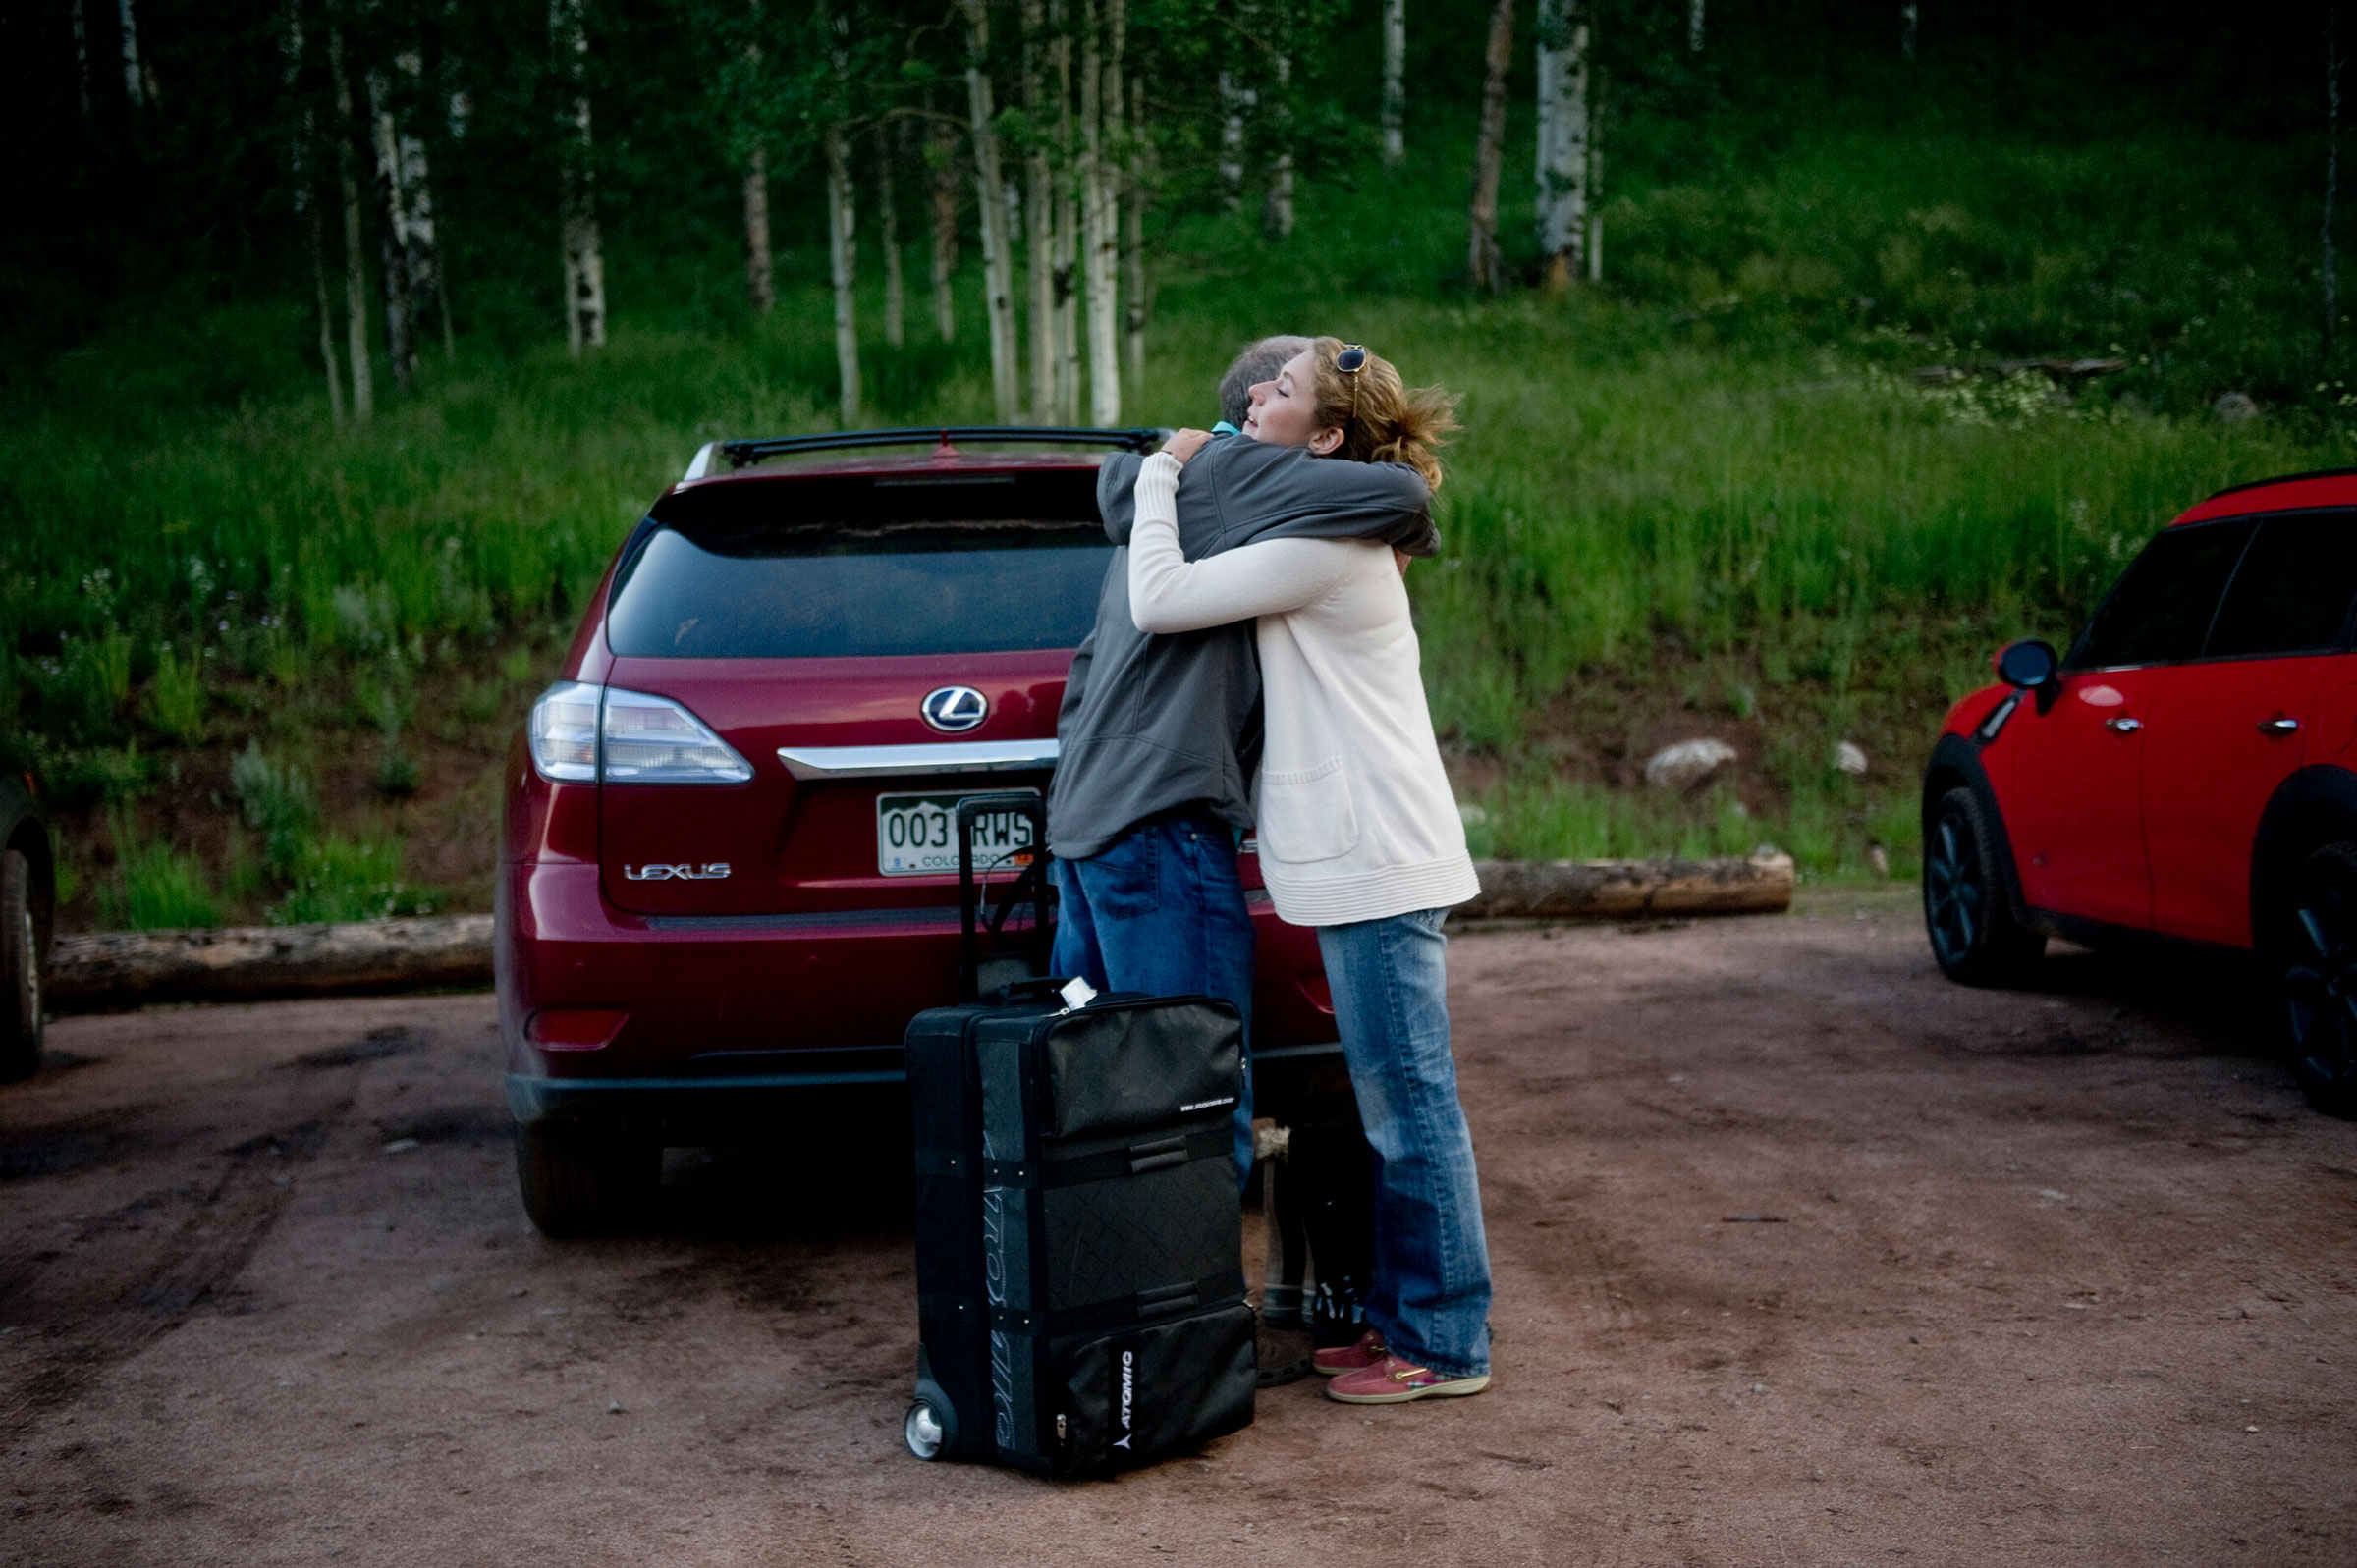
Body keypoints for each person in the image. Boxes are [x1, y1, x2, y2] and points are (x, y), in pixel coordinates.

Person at [1123, 338, 1492, 1406]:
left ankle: (1447, 1341)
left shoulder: (1325, 539)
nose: (1251, 394)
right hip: (1363, 855)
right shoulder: (1332, 517)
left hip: (1379, 855)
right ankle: (1403, 1323)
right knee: (1396, 1104)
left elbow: (1161, 595)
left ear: (1325, 435)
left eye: (1278, 392)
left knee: (1410, 1108)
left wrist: (1160, 471)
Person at [1049, 338, 1439, 1181]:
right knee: (1197, 1088)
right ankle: (1201, 1309)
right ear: (1257, 416)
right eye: (1284, 383)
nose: (1275, 393)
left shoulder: (1168, 513)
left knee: (1102, 1086)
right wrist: (1403, 537)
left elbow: (1085, 672)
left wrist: (1154, 466)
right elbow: (1403, 490)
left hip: (1085, 828)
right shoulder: (1234, 474)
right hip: (1160, 822)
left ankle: (1117, 1303)